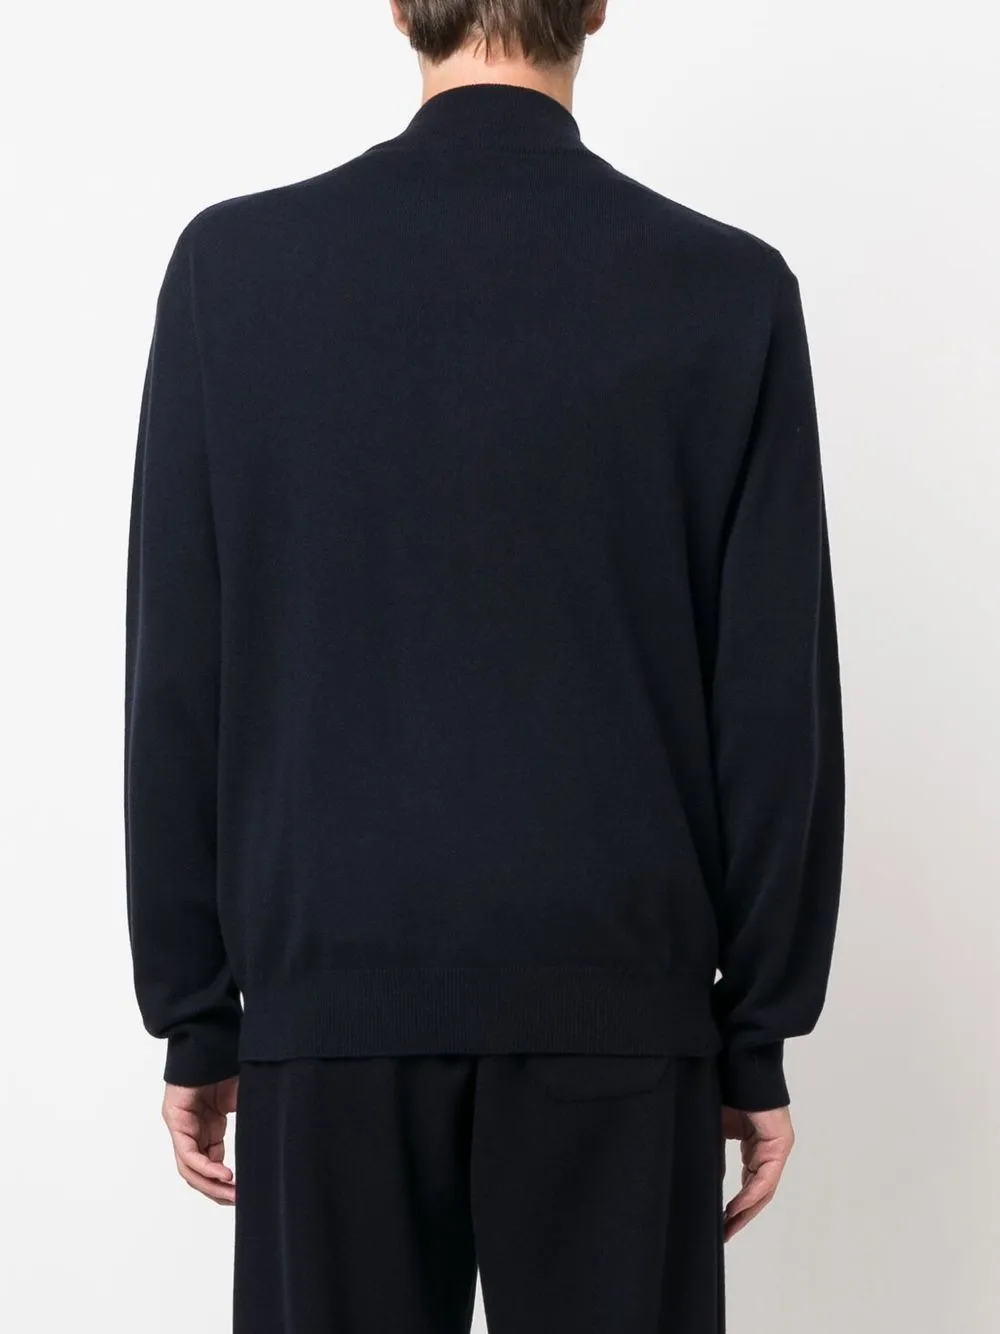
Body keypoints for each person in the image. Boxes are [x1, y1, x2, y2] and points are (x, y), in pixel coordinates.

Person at [124, 2, 845, 1330]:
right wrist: (755, 1028)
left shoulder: (235, 273)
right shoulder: (727, 291)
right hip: (621, 1012)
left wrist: (198, 1009)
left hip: (330, 1002)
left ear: (404, 7)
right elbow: (769, 705)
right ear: (597, 6)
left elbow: (180, 669)